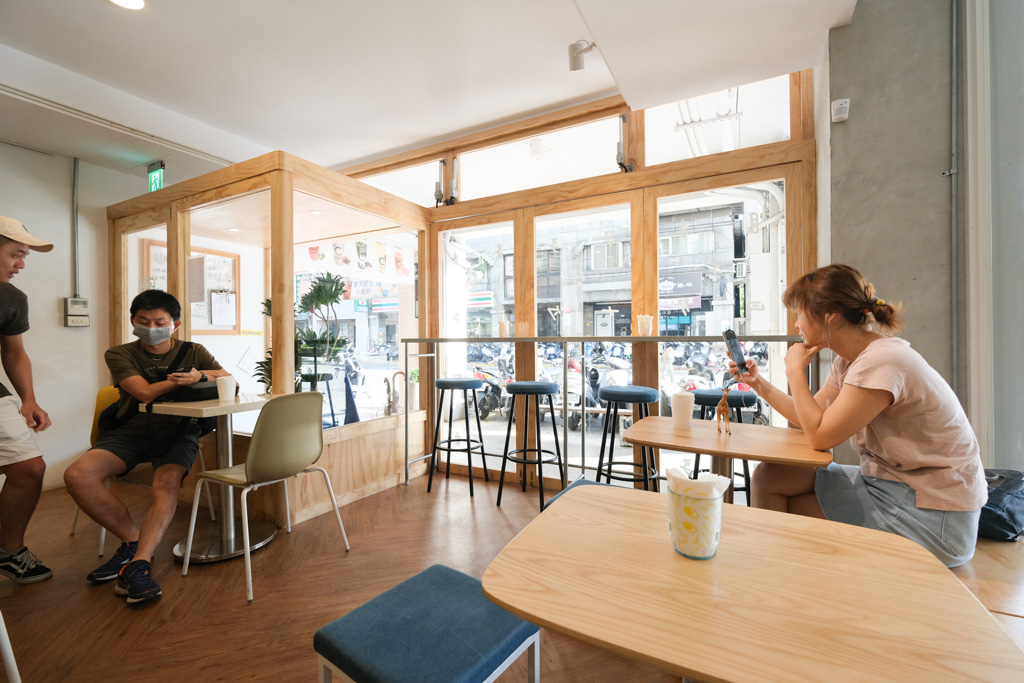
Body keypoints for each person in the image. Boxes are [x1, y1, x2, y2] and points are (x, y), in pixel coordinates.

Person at [728, 264, 986, 568]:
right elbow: (812, 417)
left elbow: (821, 436)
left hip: (935, 517)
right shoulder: (852, 361)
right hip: (893, 488)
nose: (797, 324)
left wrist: (795, 371)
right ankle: (780, 574)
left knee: (792, 507)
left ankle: (783, 578)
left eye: (800, 314)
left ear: (829, 316)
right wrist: (758, 384)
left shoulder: (883, 361)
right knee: (771, 475)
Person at [64, 290, 233, 604]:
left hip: (179, 432)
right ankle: (131, 539)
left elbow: (229, 380)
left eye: (159, 321)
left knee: (165, 484)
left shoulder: (193, 349)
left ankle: (139, 564)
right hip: (132, 431)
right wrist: (180, 379)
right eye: (143, 321)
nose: (151, 327)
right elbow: (143, 393)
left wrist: (200, 374)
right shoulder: (119, 353)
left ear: (176, 323)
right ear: (133, 321)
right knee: (77, 475)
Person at [0, 216, 54, 584]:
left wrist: (28, 399)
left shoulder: (12, 298)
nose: (21, 263)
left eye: (24, 256)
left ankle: (9, 552)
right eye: (16, 254)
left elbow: (14, 353)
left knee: (30, 468)